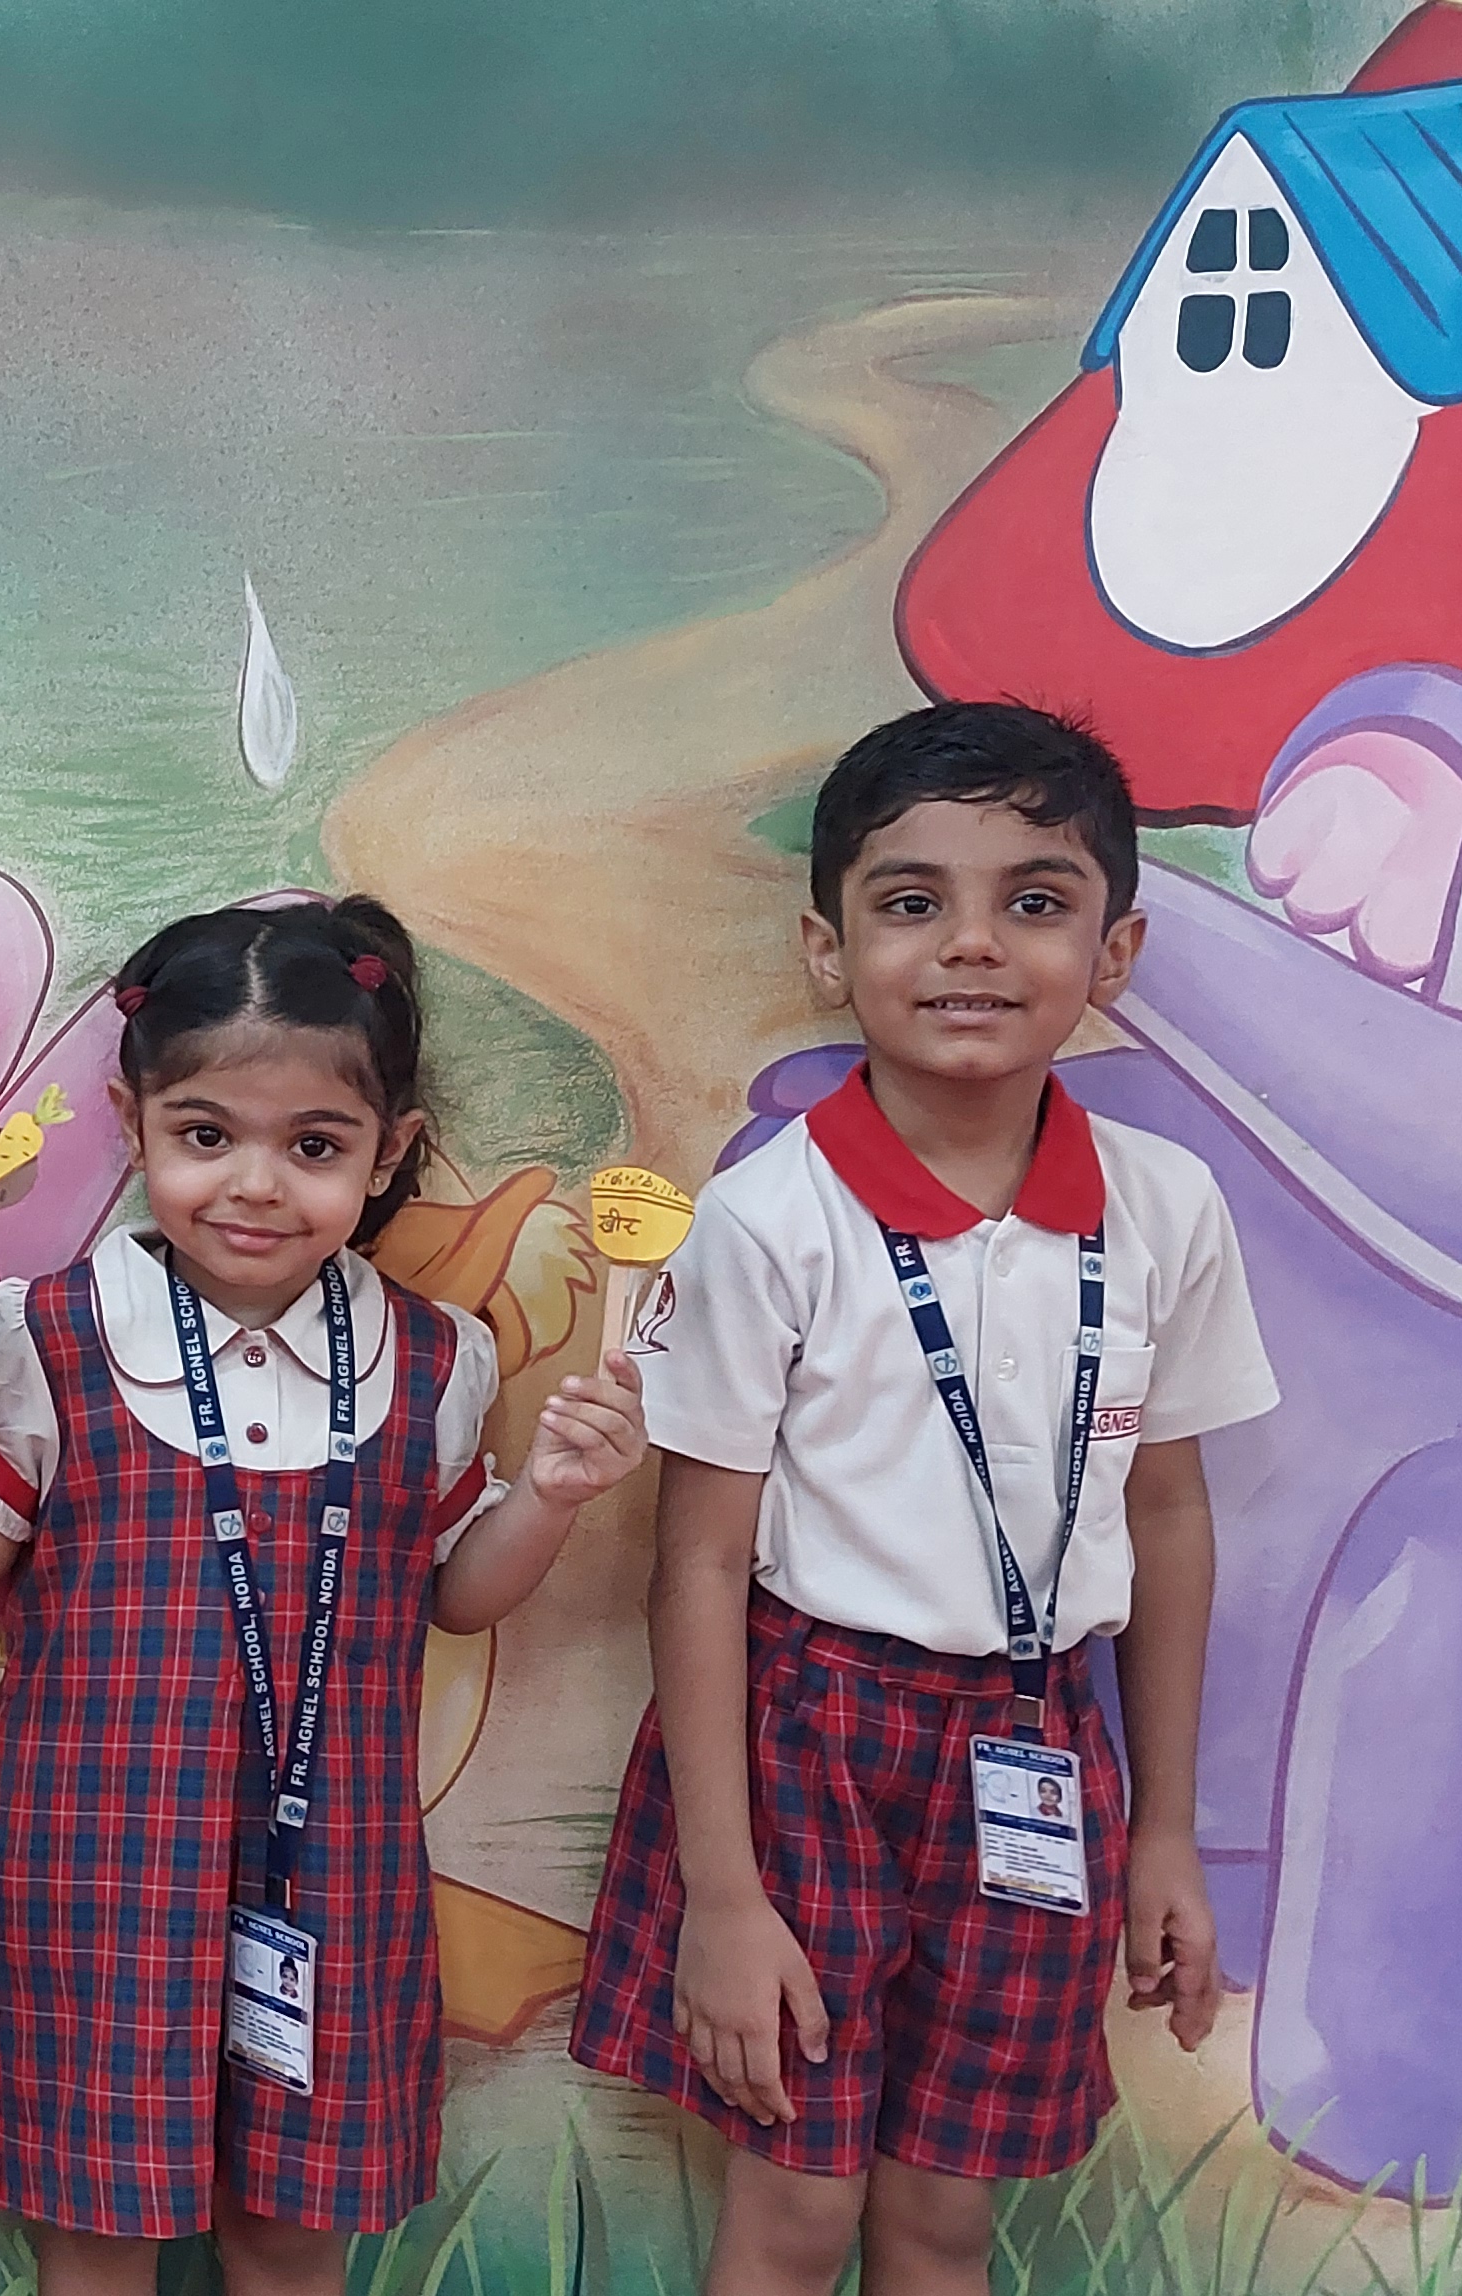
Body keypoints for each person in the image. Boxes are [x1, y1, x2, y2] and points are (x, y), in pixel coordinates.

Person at [569, 704, 1278, 2296]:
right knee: (797, 2216)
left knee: (947, 2222)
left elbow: (1170, 1520)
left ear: (1114, 953)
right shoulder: (768, 1217)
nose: (972, 944)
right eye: (912, 901)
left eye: (1035, 900)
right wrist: (725, 1896)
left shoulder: (1166, 1207)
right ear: (830, 951)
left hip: (1042, 1743)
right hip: (808, 1745)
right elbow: (698, 1565)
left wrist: (1164, 1831)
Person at [0, 896, 651, 2296]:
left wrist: (550, 1495)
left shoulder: (434, 1359)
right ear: (134, 1124)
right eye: (206, 1136)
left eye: (315, 1147)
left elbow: (457, 1597)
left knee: (293, 2234)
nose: (254, 1185)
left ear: (390, 1150)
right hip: (91, 1872)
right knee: (97, 2231)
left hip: (331, 1872)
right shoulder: (46, 1335)